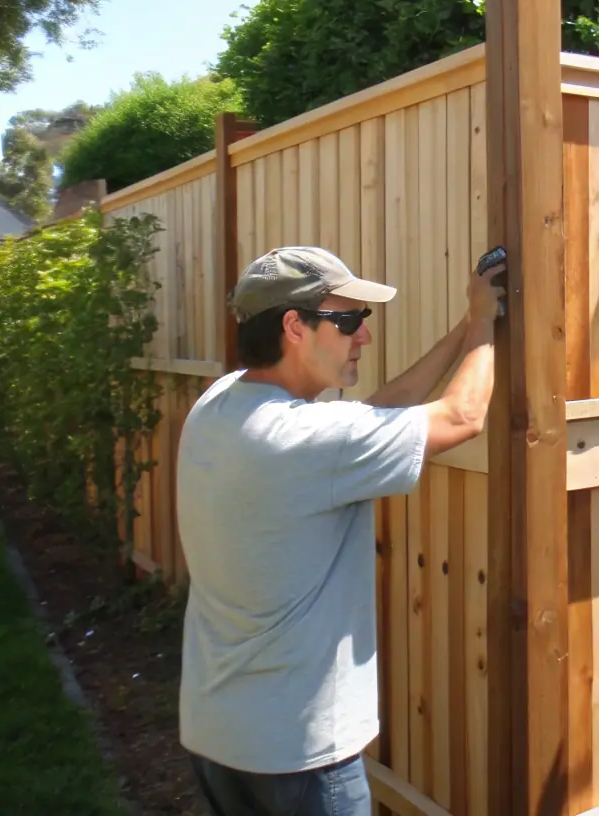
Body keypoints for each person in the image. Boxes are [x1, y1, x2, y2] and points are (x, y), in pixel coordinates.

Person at [175, 244, 505, 816]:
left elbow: (375, 415)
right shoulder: (305, 441)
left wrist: (463, 330)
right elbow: (463, 416)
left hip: (217, 733)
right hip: (298, 754)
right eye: (348, 320)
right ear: (293, 327)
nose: (363, 337)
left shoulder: (221, 404)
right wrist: (483, 324)